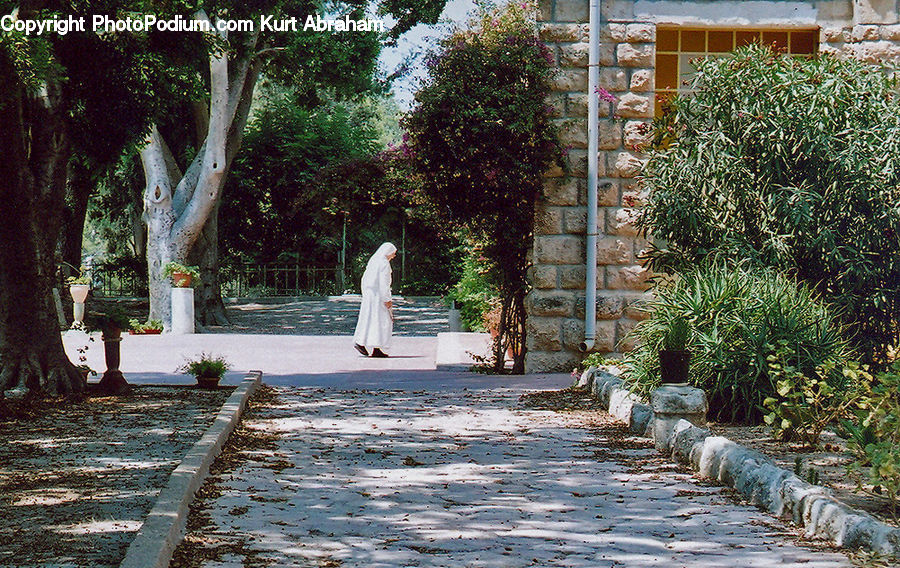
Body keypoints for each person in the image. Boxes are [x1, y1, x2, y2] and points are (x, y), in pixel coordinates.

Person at [353, 242, 397, 358]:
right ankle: (367, 344)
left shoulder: (373, 261)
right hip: (378, 298)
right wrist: (387, 299)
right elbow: (384, 283)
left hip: (370, 297)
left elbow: (364, 280)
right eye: (393, 253)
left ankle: (373, 347)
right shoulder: (384, 264)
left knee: (370, 320)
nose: (394, 256)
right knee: (381, 322)